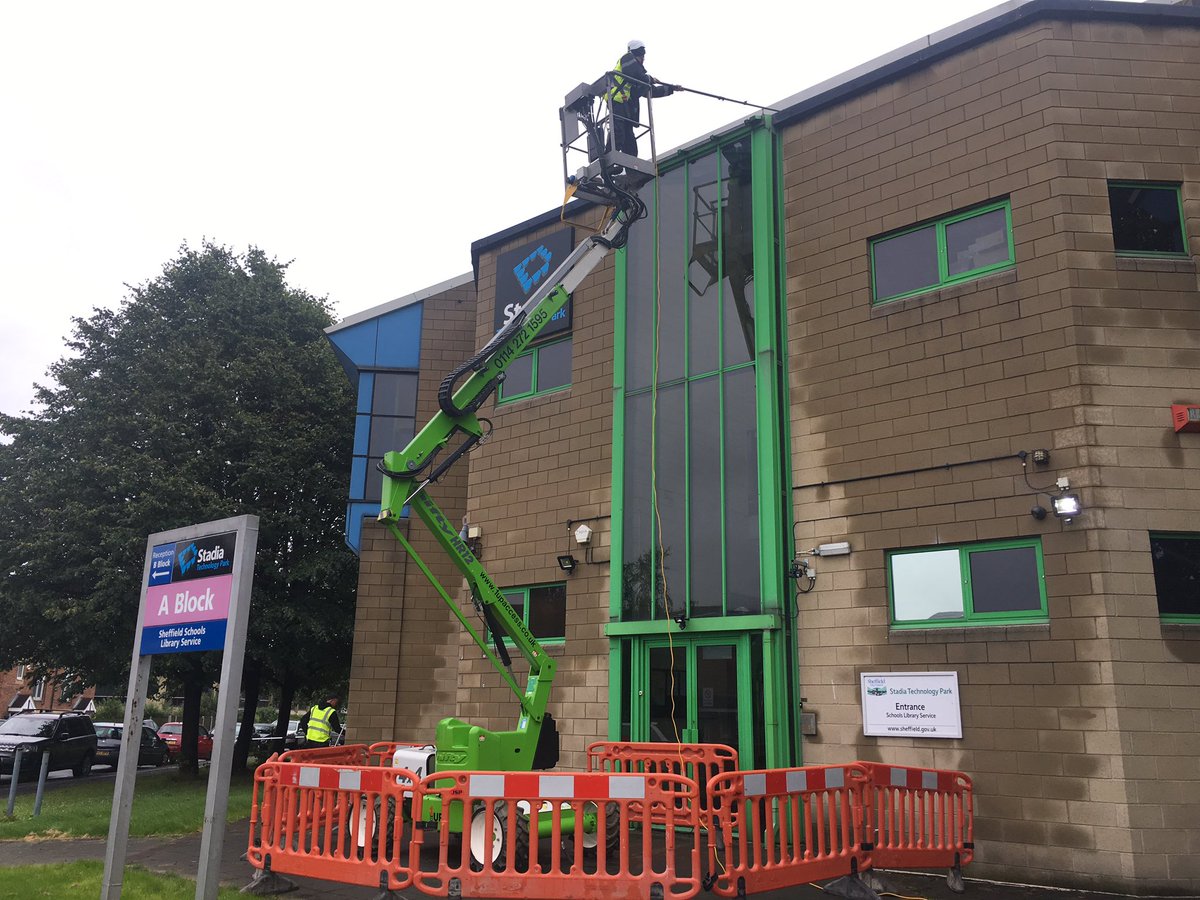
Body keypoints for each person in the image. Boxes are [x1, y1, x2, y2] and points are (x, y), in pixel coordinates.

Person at [607, 39, 677, 160]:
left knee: (629, 141)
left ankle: (630, 169)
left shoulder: (635, 75)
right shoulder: (627, 59)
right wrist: (649, 78)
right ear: (635, 53)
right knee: (618, 134)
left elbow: (650, 90)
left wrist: (671, 89)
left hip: (626, 106)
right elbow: (636, 74)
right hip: (616, 101)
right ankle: (607, 162)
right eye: (641, 54)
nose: (643, 58)